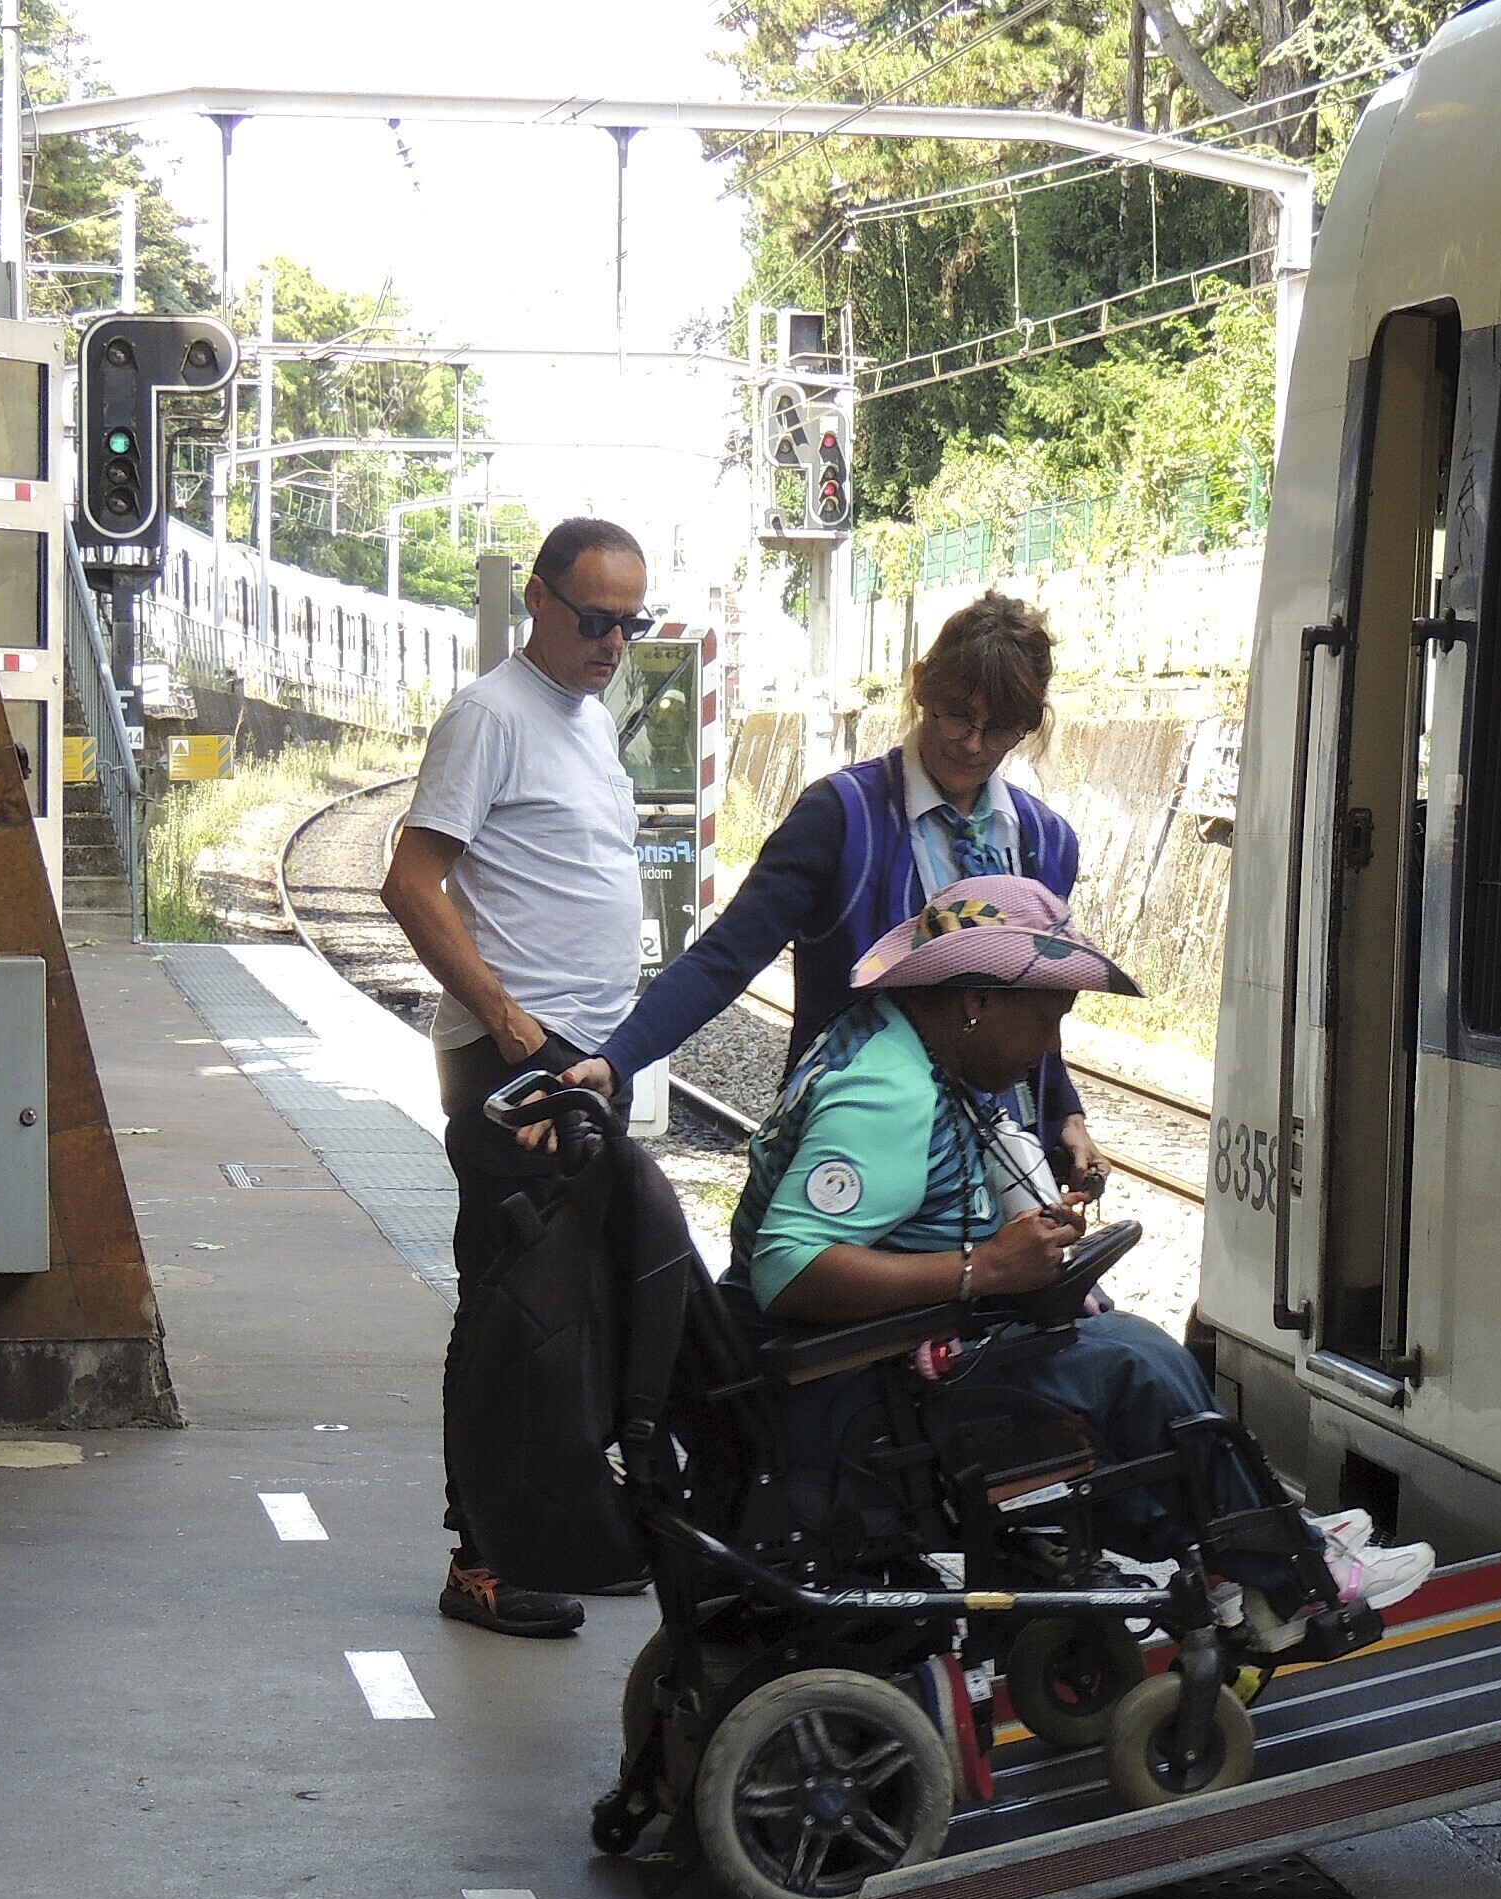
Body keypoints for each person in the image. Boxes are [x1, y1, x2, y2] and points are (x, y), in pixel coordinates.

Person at [735, 875, 1431, 1636]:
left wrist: (1016, 1260)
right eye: (1048, 1020)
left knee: (1106, 1340)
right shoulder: (886, 1090)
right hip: (852, 1395)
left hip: (883, 1367)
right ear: (977, 1001)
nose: (1052, 1049)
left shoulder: (910, 1045)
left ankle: (1244, 1551)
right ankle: (1289, 1575)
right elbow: (787, 1269)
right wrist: (985, 1270)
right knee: (1134, 1360)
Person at [565, 592, 1102, 1194]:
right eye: (956, 714)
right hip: (855, 1151)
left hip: (998, 1164)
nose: (973, 744)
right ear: (921, 685)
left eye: (1001, 728)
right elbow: (727, 956)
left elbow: (1034, 1012)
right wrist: (618, 1059)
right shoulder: (842, 818)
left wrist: (1065, 1113)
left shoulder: (1047, 843)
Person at [382, 515, 657, 1638]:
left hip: (585, 1063)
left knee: (574, 1314)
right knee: (504, 1314)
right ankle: (480, 1559)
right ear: (539, 600)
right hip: (520, 1071)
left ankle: (557, 1526)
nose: (613, 642)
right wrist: (507, 1024)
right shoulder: (492, 716)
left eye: (631, 624)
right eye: (596, 619)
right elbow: (411, 881)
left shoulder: (587, 719)